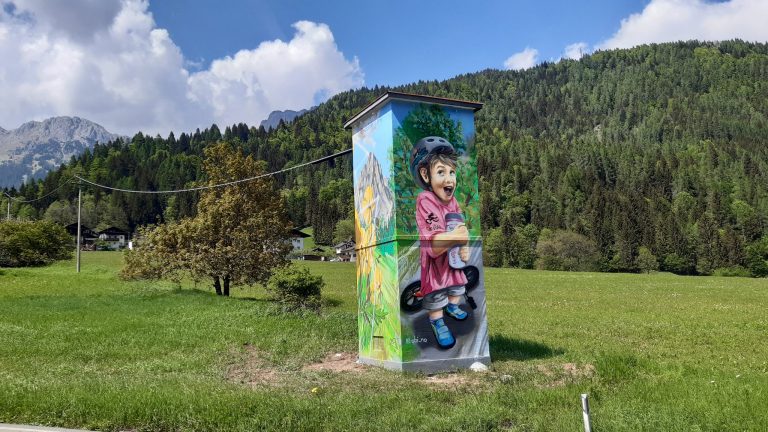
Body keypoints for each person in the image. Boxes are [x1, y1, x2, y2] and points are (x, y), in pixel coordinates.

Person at [410, 136, 470, 349]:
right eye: (441, 172)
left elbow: (461, 227)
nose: (449, 179)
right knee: (436, 295)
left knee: (457, 286)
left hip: (452, 259)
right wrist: (458, 237)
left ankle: (452, 307)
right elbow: (434, 245)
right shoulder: (425, 199)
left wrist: (464, 246)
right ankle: (437, 321)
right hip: (435, 265)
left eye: (452, 172)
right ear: (425, 175)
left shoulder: (453, 202)